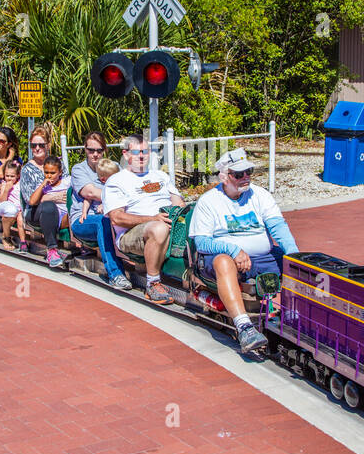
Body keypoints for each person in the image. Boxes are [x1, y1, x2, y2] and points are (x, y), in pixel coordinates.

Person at [188, 147, 299, 352]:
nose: (246, 177)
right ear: (224, 177)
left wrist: (294, 256)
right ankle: (244, 327)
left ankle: (296, 316)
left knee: (294, 262)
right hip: (222, 260)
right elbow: (201, 242)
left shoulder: (260, 195)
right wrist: (232, 250)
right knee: (223, 261)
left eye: (249, 171)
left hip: (262, 257)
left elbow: (278, 227)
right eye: (239, 174)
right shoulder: (208, 202)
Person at [103, 134, 184, 305]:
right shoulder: (116, 181)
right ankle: (152, 283)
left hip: (167, 221)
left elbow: (178, 201)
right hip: (132, 234)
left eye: (145, 151)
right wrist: (152, 218)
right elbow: (116, 218)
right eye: (136, 152)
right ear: (126, 154)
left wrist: (181, 214)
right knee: (158, 228)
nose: (141, 156)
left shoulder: (160, 176)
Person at [68, 132, 128, 290]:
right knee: (104, 221)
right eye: (90, 150)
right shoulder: (78, 170)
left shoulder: (115, 167)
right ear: (85, 149)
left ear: (104, 150)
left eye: (99, 150)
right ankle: (115, 274)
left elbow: (127, 190)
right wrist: (113, 199)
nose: (95, 154)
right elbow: (89, 193)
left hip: (113, 215)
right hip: (84, 220)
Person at [27, 154, 70, 267]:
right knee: (49, 206)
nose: (49, 176)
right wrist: (43, 185)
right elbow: (32, 202)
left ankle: (87, 247)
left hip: (63, 217)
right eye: (46, 172)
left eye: (52, 173)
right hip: (45, 215)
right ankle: (52, 250)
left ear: (60, 172)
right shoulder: (43, 186)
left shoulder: (68, 182)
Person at [0, 159, 26, 250]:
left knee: (20, 219)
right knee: (10, 213)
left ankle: (23, 242)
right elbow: (2, 200)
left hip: (19, 208)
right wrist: (6, 189)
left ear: (18, 175)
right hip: (7, 207)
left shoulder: (20, 183)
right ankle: (6, 237)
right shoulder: (4, 184)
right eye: (7, 175)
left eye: (12, 176)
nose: (9, 178)